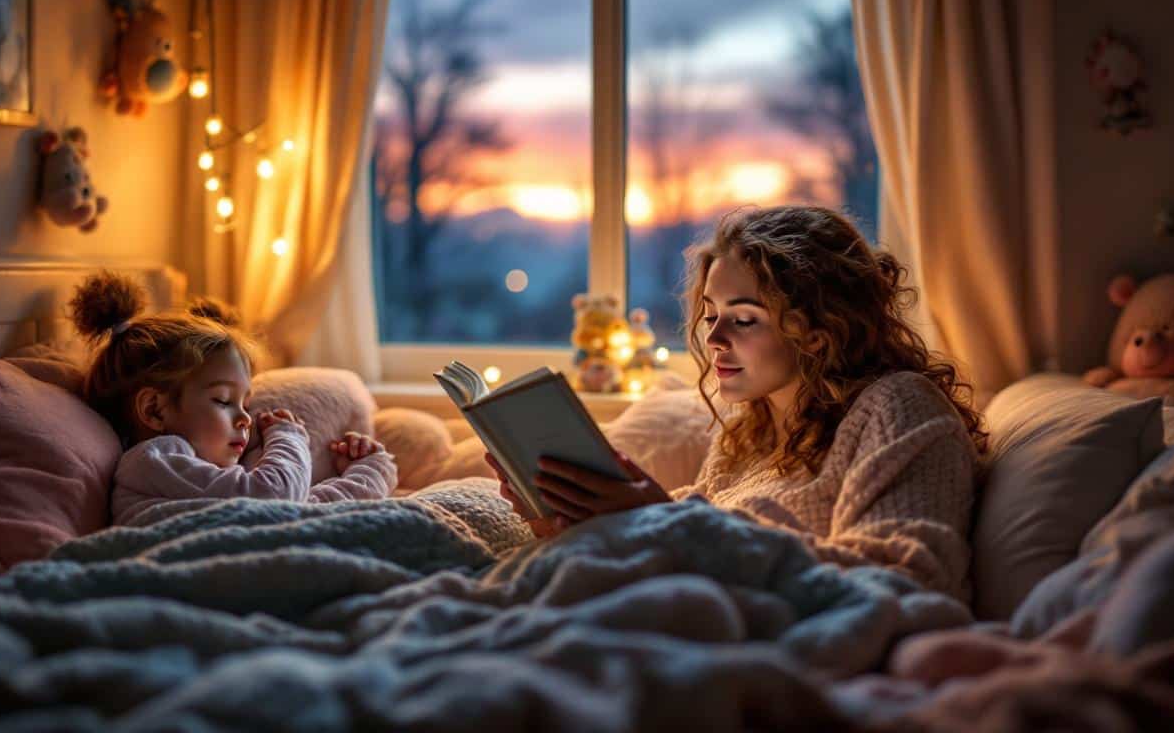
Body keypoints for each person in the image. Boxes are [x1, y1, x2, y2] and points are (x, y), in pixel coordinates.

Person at [488, 206, 987, 601]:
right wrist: (562, 518)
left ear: (819, 331)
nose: (714, 339)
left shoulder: (898, 406)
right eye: (710, 316)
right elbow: (692, 551)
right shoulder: (748, 434)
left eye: (743, 319)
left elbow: (909, 581)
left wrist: (663, 523)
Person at [71, 271, 396, 526]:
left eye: (245, 403)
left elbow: (301, 513)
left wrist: (369, 473)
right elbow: (278, 497)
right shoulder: (152, 461)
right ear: (155, 410)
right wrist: (289, 437)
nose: (245, 419)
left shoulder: (203, 475)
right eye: (224, 401)